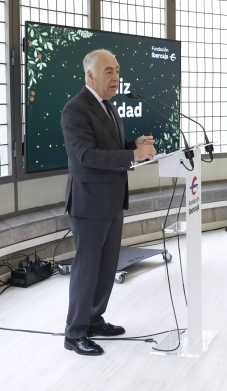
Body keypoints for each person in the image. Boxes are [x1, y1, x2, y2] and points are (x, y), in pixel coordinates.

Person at [61, 49, 157, 356]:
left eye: (117, 70)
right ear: (90, 75)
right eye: (108, 71)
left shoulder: (108, 105)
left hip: (113, 199)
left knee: (105, 267)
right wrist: (132, 155)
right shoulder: (75, 109)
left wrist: (133, 146)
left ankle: (93, 319)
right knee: (87, 269)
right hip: (89, 203)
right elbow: (87, 155)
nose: (115, 76)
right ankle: (75, 332)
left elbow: (109, 148)